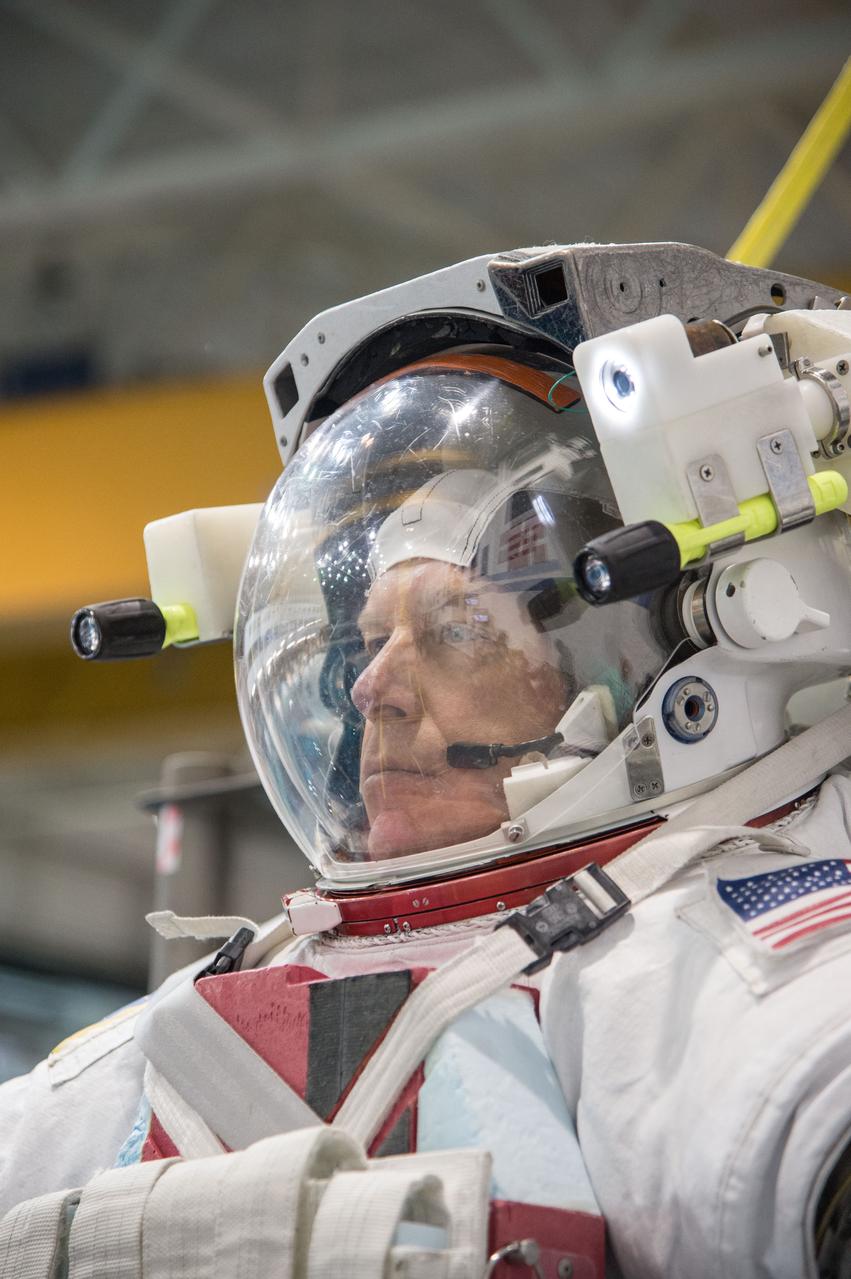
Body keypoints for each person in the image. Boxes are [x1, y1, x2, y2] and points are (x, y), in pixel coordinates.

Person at [3, 243, 851, 1279]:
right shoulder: (141, 1056)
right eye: (366, 642)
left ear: (630, 680)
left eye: (456, 630)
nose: (372, 686)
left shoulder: (706, 974)